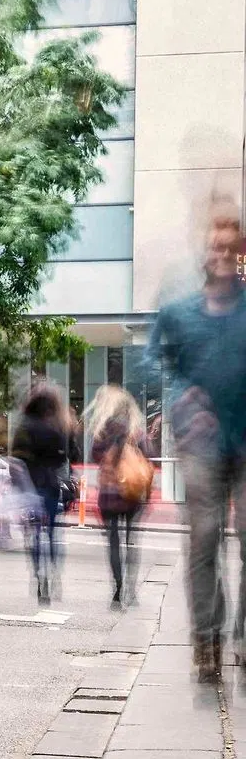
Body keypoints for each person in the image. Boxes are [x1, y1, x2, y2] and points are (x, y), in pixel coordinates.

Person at [149, 207, 246, 681]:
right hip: (202, 443)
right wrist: (181, 394)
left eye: (231, 246)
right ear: (205, 253)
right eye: (216, 246)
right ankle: (206, 640)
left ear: (240, 251)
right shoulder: (179, 313)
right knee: (205, 538)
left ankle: (242, 636)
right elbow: (152, 361)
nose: (223, 254)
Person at [87, 385, 151, 611]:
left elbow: (94, 456)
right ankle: (132, 590)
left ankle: (118, 588)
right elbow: (148, 456)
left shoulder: (103, 429)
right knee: (131, 542)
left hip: (109, 494)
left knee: (113, 542)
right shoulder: (136, 430)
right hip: (133, 493)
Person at [13, 382, 71, 606]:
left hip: (30, 486)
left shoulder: (24, 426)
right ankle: (55, 571)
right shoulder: (58, 426)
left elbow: (17, 458)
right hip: (51, 485)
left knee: (35, 534)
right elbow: (64, 457)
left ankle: (39, 578)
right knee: (53, 533)